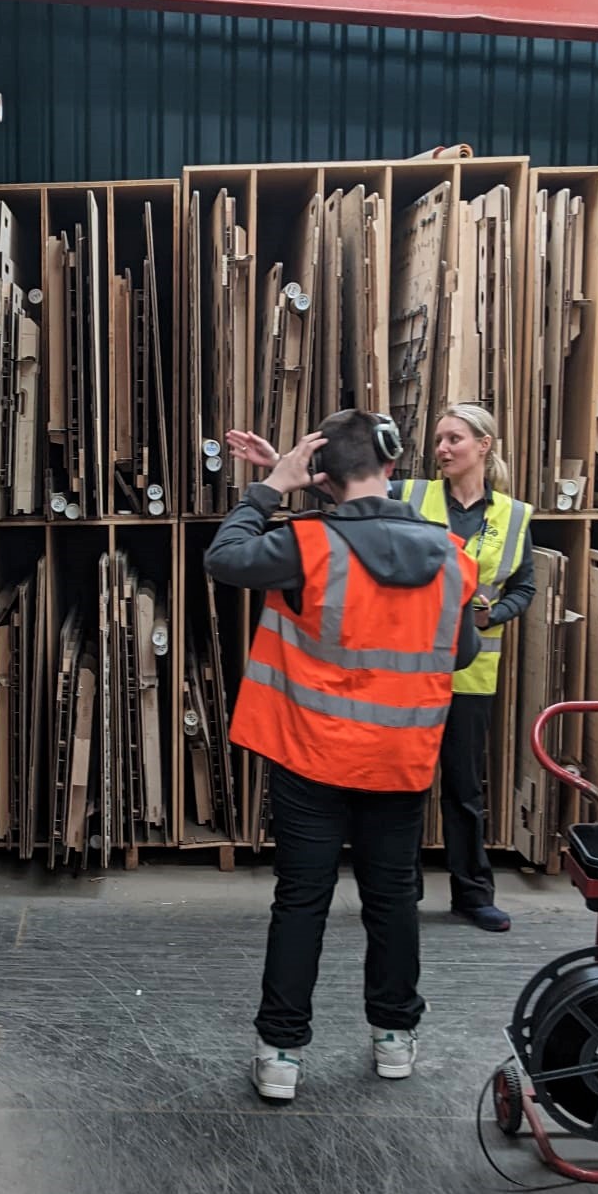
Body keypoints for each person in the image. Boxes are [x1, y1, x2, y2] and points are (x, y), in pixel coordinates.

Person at [206, 411, 479, 1103]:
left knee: (302, 900)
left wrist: (273, 485)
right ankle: (394, 1037)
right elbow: (461, 652)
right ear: (392, 464)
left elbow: (225, 556)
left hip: (312, 756)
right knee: (394, 899)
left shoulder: (305, 546)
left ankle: (281, 1055)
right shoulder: (451, 554)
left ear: (321, 472)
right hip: (401, 758)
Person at [397, 403, 534, 934]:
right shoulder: (411, 496)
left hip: (472, 673)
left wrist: (491, 615)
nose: (442, 448)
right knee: (405, 787)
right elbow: (351, 498)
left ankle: (473, 896)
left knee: (463, 791)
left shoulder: (514, 516)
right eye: (438, 440)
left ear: (484, 445)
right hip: (410, 670)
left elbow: (523, 587)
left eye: (454, 438)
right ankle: (399, 894)